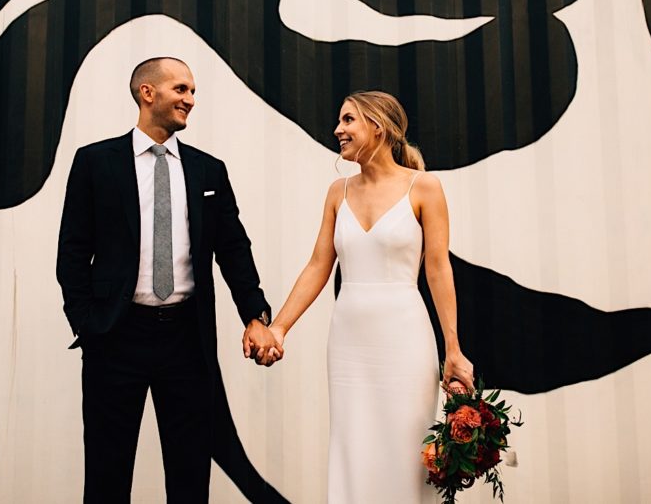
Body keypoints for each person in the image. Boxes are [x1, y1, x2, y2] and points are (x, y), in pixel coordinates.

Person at [56, 56, 280, 503]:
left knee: (190, 474)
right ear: (148, 93)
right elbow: (73, 253)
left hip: (186, 340)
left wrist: (255, 315)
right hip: (116, 337)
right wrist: (87, 323)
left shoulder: (207, 170)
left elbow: (233, 249)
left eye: (193, 91)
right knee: (106, 471)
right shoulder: (95, 163)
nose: (191, 100)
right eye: (181, 89)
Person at [262, 90, 474, 503]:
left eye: (347, 120)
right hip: (349, 343)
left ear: (377, 126)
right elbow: (318, 266)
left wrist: (453, 347)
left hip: (405, 336)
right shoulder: (336, 192)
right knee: (352, 447)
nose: (337, 129)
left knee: (406, 452)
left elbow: (438, 269)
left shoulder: (424, 187)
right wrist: (279, 328)